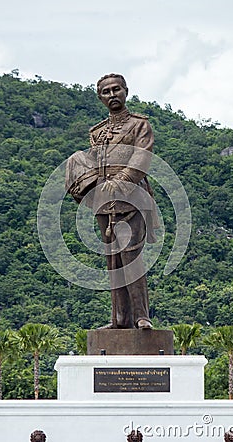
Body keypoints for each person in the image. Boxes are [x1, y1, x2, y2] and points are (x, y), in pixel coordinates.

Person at [67, 73, 158, 329]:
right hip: (105, 203)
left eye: (116, 90)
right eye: (106, 92)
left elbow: (141, 158)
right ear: (100, 97)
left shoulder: (140, 125)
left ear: (126, 91)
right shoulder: (97, 132)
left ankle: (141, 316)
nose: (112, 95)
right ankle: (119, 319)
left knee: (131, 258)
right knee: (113, 261)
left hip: (132, 198)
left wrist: (120, 181)